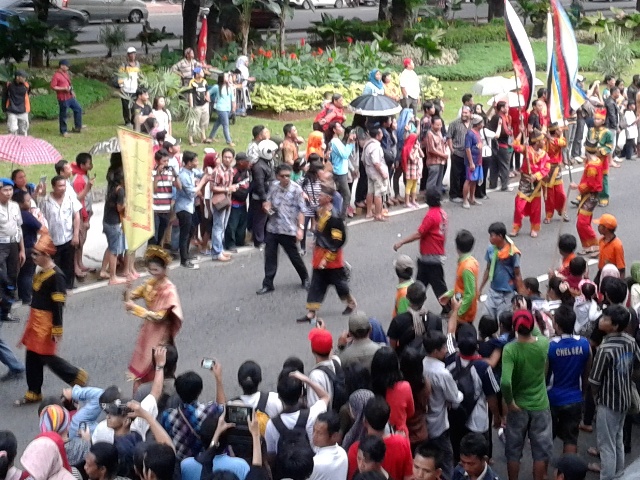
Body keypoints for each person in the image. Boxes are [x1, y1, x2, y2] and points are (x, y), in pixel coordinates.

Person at [15, 233, 87, 405]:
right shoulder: (42, 272)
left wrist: (57, 328)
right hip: (35, 321)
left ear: (46, 255)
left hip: (46, 323)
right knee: (32, 355)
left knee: (46, 356)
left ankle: (76, 376)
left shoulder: (56, 276)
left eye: (36, 254)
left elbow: (58, 306)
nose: (33, 257)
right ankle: (34, 391)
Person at [589, 305, 640, 480]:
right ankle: (619, 474)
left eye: (605, 319)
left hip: (608, 403)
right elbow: (637, 366)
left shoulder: (605, 349)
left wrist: (597, 399)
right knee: (617, 439)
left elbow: (594, 380)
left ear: (615, 326)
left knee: (606, 446)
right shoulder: (630, 341)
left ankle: (608, 476)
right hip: (625, 399)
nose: (601, 321)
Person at [501, 309, 552, 480]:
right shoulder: (544, 343)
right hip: (540, 404)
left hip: (518, 406)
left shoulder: (510, 350)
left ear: (515, 328)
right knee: (540, 451)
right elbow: (536, 332)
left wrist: (509, 402)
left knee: (513, 451)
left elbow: (506, 382)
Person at [124, 245, 183, 390]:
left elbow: (160, 317)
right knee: (143, 367)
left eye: (156, 270)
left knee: (157, 363)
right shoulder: (150, 284)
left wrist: (135, 309)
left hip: (160, 334)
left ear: (164, 269)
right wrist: (127, 288)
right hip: (148, 330)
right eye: (151, 270)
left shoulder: (169, 290)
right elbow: (131, 296)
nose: (153, 273)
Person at [297, 183, 356, 323]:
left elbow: (337, 241)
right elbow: (322, 232)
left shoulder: (334, 217)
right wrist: (317, 241)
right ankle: (311, 312)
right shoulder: (321, 211)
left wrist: (327, 258)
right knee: (316, 283)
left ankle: (350, 302)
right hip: (319, 253)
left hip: (331, 257)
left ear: (328, 198)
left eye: (321, 195)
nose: (318, 197)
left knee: (339, 284)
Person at [257, 163, 309, 295]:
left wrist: (300, 229)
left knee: (294, 256)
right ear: (277, 176)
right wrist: (266, 207)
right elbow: (268, 202)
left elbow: (302, 211)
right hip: (273, 227)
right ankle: (268, 283)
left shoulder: (297, 190)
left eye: (288, 175)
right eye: (283, 176)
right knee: (270, 257)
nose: (286, 178)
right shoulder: (273, 186)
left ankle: (305, 278)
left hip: (288, 229)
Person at [393, 189, 448, 309]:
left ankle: (448, 307)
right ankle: (413, 302)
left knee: (438, 286)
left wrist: (401, 242)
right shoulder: (442, 213)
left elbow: (419, 234)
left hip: (430, 256)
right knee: (421, 283)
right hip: (434, 254)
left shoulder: (431, 215)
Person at [547, 305, 591, 454]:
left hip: (553, 399)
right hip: (575, 398)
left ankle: (544, 474)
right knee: (571, 439)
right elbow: (586, 373)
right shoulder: (585, 344)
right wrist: (583, 394)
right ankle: (565, 474)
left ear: (557, 325)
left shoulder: (551, 346)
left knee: (546, 439)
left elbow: (544, 375)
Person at [422, 332, 463, 480]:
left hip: (424, 424)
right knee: (446, 462)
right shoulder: (442, 373)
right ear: (435, 351)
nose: (446, 349)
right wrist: (460, 394)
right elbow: (454, 397)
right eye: (443, 347)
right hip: (439, 425)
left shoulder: (421, 365)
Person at [161, 369, 225, 462]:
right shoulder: (209, 411)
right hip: (204, 460)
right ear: (200, 391)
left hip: (182, 463)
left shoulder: (168, 416)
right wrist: (218, 379)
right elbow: (222, 407)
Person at [265, 369, 330, 456]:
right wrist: (307, 380)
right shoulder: (313, 414)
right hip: (309, 465)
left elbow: (271, 454)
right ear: (301, 394)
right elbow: (325, 396)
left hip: (284, 467)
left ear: (279, 396)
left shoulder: (271, 424)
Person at [345, 396, 413, 480]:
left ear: (365, 422)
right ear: (388, 419)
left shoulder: (356, 449)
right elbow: (408, 477)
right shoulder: (402, 443)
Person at [39, 176, 81, 291]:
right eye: (60, 186)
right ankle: (57, 287)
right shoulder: (45, 201)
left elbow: (76, 216)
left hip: (68, 237)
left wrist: (76, 234)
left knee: (68, 264)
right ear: (53, 187)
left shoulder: (70, 198)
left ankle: (68, 286)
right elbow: (41, 218)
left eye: (64, 185)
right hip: (53, 240)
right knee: (54, 266)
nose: (62, 188)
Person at [479, 222, 523, 321]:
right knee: (486, 320)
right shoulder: (491, 249)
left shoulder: (512, 252)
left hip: (506, 294)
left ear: (500, 236)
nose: (490, 238)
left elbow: (517, 274)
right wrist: (480, 288)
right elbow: (488, 269)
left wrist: (521, 295)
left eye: (492, 236)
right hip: (492, 291)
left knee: (503, 321)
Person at [510, 130, 550, 238]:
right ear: (537, 142)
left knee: (535, 208)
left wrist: (536, 176)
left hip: (536, 184)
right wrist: (521, 132)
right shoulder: (527, 150)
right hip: (525, 182)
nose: (544, 141)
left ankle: (534, 228)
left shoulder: (544, 155)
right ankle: (516, 226)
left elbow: (546, 169)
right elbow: (515, 146)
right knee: (519, 206)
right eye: (542, 140)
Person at [569, 138, 604, 255]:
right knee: (585, 222)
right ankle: (588, 246)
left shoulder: (592, 167)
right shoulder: (595, 161)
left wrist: (577, 187)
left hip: (590, 195)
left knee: (582, 223)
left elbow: (590, 184)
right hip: (590, 195)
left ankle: (596, 245)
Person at [387, 280, 442, 354]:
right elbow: (439, 342)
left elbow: (392, 347)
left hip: (405, 360)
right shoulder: (435, 320)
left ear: (407, 297)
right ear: (425, 298)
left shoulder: (398, 321)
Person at [371, 347, 414, 437]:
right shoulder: (404, 387)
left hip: (376, 437)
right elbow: (411, 412)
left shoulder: (370, 388)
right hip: (400, 435)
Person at [176, 151, 208, 269]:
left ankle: (187, 254)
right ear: (189, 163)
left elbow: (201, 173)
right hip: (183, 208)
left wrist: (207, 172)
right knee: (184, 234)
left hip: (190, 207)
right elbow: (191, 193)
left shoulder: (191, 171)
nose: (197, 163)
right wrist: (203, 182)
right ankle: (184, 260)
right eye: (195, 161)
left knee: (192, 229)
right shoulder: (183, 175)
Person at [440, 229, 478, 324]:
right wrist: (449, 294)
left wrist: (458, 313)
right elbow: (463, 287)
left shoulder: (466, 268)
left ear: (457, 247)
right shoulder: (470, 261)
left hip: (465, 316)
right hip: (463, 309)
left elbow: (469, 294)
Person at [209, 147, 239, 262]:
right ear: (222, 157)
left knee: (223, 225)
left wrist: (231, 189)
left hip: (227, 200)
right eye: (225, 157)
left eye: (229, 157)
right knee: (218, 226)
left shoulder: (231, 170)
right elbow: (212, 187)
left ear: (233, 159)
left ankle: (220, 249)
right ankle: (216, 252)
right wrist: (227, 189)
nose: (227, 159)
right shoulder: (217, 171)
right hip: (219, 200)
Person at [99, 167, 127, 285]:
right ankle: (113, 276)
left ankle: (103, 271)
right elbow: (119, 208)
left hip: (106, 221)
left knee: (110, 247)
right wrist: (126, 205)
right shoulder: (120, 190)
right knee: (114, 250)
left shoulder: (111, 187)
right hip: (114, 223)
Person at [70, 153, 94, 280]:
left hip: (85, 213)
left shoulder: (84, 176)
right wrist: (85, 218)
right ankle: (76, 267)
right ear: (82, 165)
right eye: (89, 163)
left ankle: (80, 263)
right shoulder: (79, 179)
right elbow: (80, 201)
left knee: (82, 241)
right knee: (78, 241)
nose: (91, 165)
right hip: (81, 214)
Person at [249, 139, 276, 248]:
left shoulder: (267, 163)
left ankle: (264, 238)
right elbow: (259, 184)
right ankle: (258, 241)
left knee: (266, 218)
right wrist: (264, 199)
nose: (274, 154)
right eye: (272, 152)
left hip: (268, 195)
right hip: (260, 197)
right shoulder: (259, 166)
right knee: (260, 219)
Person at [150, 149, 180, 247]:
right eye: (164, 161)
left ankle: (158, 255)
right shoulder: (152, 173)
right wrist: (157, 175)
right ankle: (150, 256)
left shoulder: (170, 173)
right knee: (153, 235)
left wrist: (176, 175)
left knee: (161, 234)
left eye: (167, 161)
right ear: (158, 161)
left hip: (166, 209)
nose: (166, 163)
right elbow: (153, 190)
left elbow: (179, 187)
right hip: (155, 209)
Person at [585, 107, 614, 207]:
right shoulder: (591, 130)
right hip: (591, 157)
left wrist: (600, 150)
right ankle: (587, 195)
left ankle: (604, 197)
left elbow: (609, 146)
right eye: (595, 118)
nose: (595, 121)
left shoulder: (607, 133)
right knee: (589, 176)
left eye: (598, 119)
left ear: (603, 120)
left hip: (601, 158)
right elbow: (587, 141)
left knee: (603, 178)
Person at [310, 411, 349, 480]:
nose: (314, 435)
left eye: (319, 433)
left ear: (334, 436)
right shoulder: (342, 453)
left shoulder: (316, 463)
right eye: (314, 430)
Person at [224, 152, 251, 252]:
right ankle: (230, 244)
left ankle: (240, 241)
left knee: (242, 224)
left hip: (243, 203)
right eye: (246, 161)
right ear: (240, 162)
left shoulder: (246, 171)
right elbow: (228, 186)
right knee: (232, 225)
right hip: (234, 203)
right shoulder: (233, 172)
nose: (248, 163)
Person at [328, 122, 356, 218]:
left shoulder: (337, 141)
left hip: (341, 170)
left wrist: (349, 142)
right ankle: (342, 216)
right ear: (334, 130)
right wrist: (351, 144)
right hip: (340, 171)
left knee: (340, 194)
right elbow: (344, 155)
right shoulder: (335, 142)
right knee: (346, 195)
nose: (341, 128)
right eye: (339, 126)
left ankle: (337, 214)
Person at [543, 124, 569, 223]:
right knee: (549, 194)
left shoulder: (558, 140)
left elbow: (563, 143)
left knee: (560, 192)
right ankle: (548, 214)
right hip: (548, 169)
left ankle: (562, 210)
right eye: (559, 129)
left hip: (557, 169)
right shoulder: (546, 141)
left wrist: (552, 137)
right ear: (555, 131)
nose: (560, 130)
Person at [50, 59, 83, 137]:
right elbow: (53, 86)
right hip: (63, 98)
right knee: (63, 114)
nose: (68, 67)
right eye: (66, 66)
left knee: (78, 109)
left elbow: (69, 84)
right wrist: (63, 89)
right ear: (61, 66)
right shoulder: (56, 75)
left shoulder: (66, 74)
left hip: (70, 96)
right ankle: (63, 131)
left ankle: (78, 127)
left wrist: (72, 91)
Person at [488, 101, 513, 192]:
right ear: (502, 108)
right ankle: (504, 185)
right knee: (504, 166)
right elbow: (505, 132)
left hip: (495, 145)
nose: (508, 108)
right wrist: (510, 132)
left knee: (494, 166)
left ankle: (493, 183)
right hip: (502, 145)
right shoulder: (499, 118)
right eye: (507, 106)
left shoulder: (497, 117)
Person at [593, 213, 625, 283]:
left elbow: (621, 269)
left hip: (611, 277)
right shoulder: (601, 240)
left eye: (599, 225)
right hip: (601, 272)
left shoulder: (617, 245)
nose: (598, 227)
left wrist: (621, 284)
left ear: (605, 229)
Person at [448, 107, 471, 203]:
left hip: (468, 154)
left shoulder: (473, 124)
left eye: (466, 113)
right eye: (462, 112)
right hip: (457, 152)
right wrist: (452, 149)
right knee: (455, 175)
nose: (463, 114)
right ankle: (453, 195)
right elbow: (449, 137)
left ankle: (462, 194)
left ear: (470, 113)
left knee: (465, 175)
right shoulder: (454, 124)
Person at [462, 115, 484, 209]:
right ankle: (465, 200)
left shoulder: (478, 133)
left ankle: (472, 198)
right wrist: (471, 162)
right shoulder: (470, 134)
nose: (483, 125)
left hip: (478, 160)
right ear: (478, 124)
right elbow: (467, 148)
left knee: (474, 180)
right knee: (469, 180)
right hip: (472, 161)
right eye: (482, 123)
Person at [425, 116, 449, 196]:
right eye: (437, 125)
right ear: (432, 124)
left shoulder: (439, 132)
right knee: (432, 181)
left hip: (441, 161)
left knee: (439, 181)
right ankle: (429, 197)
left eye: (440, 125)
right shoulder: (430, 134)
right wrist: (443, 155)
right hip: (433, 162)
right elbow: (431, 149)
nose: (439, 127)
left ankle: (437, 197)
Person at [3, 70, 30, 135]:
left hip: (23, 110)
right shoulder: (9, 85)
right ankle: (13, 143)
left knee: (23, 131)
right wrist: (4, 108)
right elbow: (4, 96)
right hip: (12, 110)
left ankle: (23, 144)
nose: (25, 79)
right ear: (17, 77)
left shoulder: (26, 85)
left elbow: (27, 94)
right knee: (12, 130)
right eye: (23, 77)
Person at [188, 67, 210, 146]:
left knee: (204, 121)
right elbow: (190, 94)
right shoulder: (192, 82)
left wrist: (208, 99)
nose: (203, 73)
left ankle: (203, 137)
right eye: (201, 72)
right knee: (194, 122)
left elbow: (207, 91)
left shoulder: (204, 81)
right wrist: (191, 106)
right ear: (197, 74)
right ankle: (191, 139)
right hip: (196, 105)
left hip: (204, 104)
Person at [401, 133, 423, 209]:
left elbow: (422, 155)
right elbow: (413, 159)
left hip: (416, 170)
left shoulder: (416, 147)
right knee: (409, 186)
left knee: (414, 186)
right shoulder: (408, 149)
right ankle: (407, 202)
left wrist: (419, 148)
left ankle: (413, 200)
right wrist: (416, 150)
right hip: (410, 170)